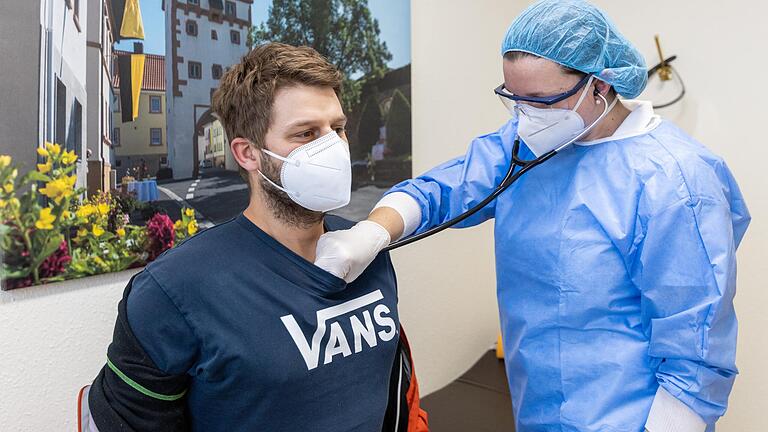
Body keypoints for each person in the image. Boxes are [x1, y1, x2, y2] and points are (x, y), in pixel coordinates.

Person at [313, 1, 751, 431]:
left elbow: (695, 351)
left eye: (540, 100)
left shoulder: (677, 181)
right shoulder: (526, 146)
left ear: (598, 86)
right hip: (534, 407)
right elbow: (442, 190)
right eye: (514, 99)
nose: (525, 117)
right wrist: (371, 232)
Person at [80, 43, 427, 432]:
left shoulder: (368, 247)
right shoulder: (173, 291)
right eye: (306, 133)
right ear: (248, 154)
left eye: (338, 128)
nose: (335, 148)